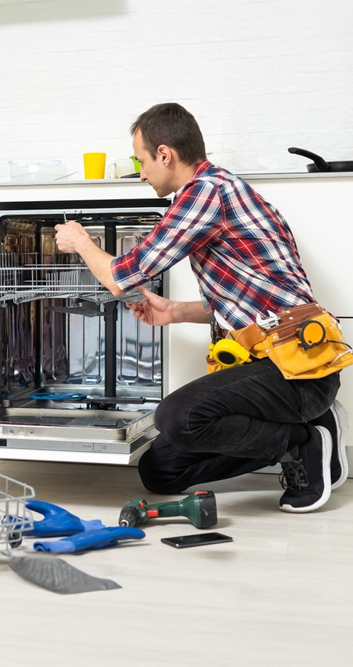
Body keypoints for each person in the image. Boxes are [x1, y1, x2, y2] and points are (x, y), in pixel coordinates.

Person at [54, 102, 348, 513]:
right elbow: (242, 302)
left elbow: (124, 276)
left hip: (298, 369)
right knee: (160, 471)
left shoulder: (206, 192)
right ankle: (310, 426)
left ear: (164, 154)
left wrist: (81, 242)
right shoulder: (220, 190)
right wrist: (174, 311)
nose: (141, 174)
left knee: (177, 417)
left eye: (141, 161)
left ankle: (301, 444)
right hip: (274, 365)